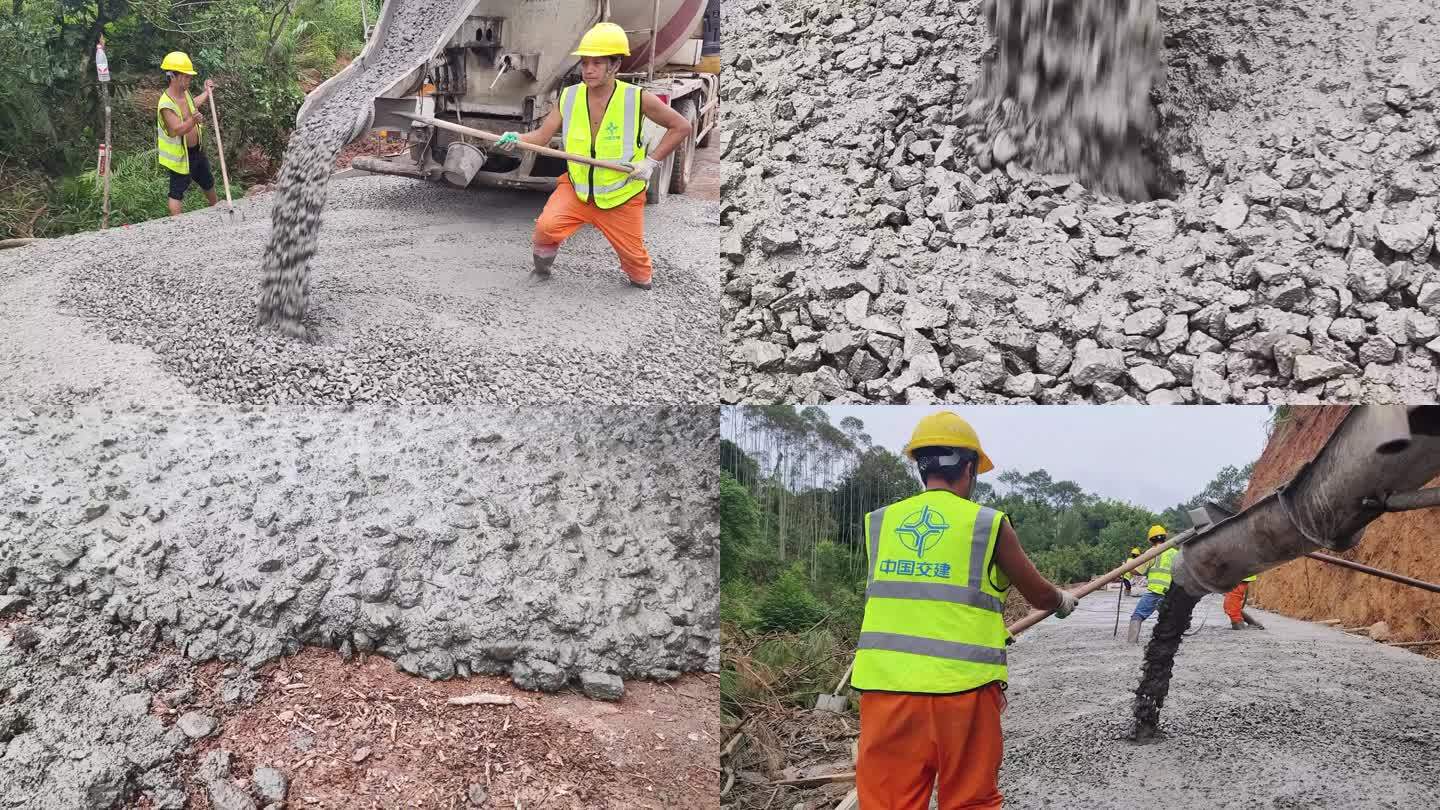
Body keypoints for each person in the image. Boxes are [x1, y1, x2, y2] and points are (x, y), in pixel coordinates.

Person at [851, 411, 1080, 810]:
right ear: (969, 467)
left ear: (921, 467)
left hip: (885, 692)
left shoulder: (880, 523)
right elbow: (1039, 595)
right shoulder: (987, 524)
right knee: (970, 801)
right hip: (963, 692)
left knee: (887, 802)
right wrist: (1062, 600)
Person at [494, 22, 692, 290]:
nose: (588, 70)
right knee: (546, 227)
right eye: (585, 62)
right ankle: (542, 271)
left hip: (621, 194)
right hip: (577, 190)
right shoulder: (569, 97)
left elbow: (681, 126)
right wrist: (516, 139)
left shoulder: (637, 98)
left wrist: (650, 162)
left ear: (615, 65)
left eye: (597, 63)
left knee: (640, 274)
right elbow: (541, 137)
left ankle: (638, 276)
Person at [156, 51, 218, 216]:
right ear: (173, 76)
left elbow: (193, 104)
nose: (189, 79)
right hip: (181, 156)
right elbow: (177, 129)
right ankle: (178, 226)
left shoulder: (185, 93)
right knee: (177, 191)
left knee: (208, 181)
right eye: (186, 76)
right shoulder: (166, 103)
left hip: (197, 150)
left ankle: (217, 209)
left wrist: (207, 92)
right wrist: (193, 120)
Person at [1127, 525, 1177, 643]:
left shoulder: (1151, 552)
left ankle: (1131, 643)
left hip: (1154, 592)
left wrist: (1127, 568)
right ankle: (1171, 641)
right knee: (1170, 619)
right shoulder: (1175, 553)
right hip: (1169, 593)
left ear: (1151, 540)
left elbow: (1138, 571)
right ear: (1165, 537)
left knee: (1137, 616)